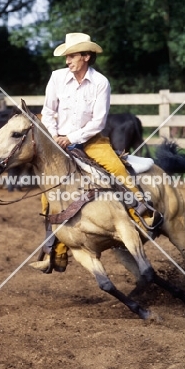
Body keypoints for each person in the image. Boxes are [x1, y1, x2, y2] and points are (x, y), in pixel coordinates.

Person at [30, 32, 161, 273]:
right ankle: (54, 251)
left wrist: (71, 138)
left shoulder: (100, 83)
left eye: (72, 56)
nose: (67, 61)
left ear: (86, 56)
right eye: (66, 57)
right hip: (57, 141)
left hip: (91, 140)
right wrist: (54, 136)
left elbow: (98, 122)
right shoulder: (57, 78)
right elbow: (47, 112)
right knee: (48, 193)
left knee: (117, 168)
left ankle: (142, 210)